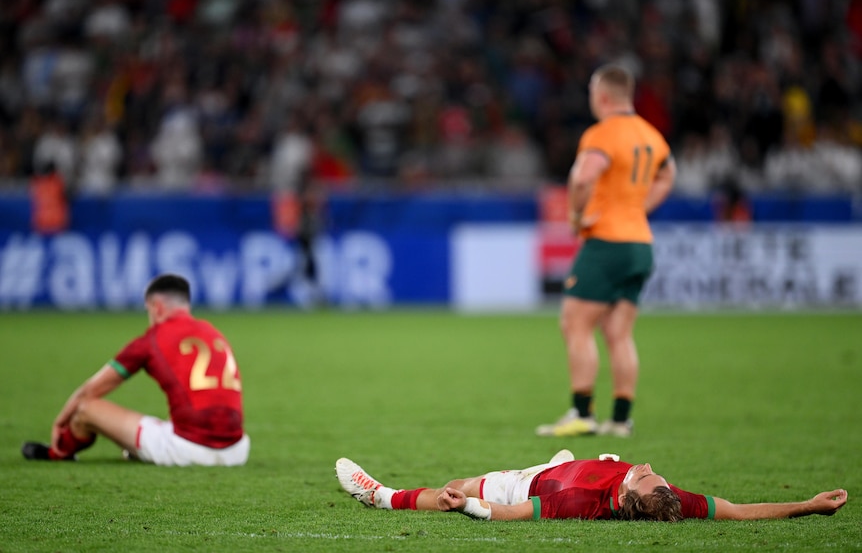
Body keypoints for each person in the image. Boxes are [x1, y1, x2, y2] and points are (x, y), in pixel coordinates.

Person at [537, 64, 678, 438]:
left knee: (574, 323)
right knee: (619, 332)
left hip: (607, 241)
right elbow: (668, 173)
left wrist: (576, 214)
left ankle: (583, 414)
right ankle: (620, 419)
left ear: (601, 96)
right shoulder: (650, 135)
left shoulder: (602, 134)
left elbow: (584, 175)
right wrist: (642, 206)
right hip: (640, 244)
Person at [21, 274, 249, 466]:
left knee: (85, 410)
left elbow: (89, 392)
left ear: (157, 307)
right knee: (172, 417)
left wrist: (60, 423)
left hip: (188, 449)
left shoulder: (150, 341)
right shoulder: (211, 331)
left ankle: (58, 453)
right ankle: (142, 449)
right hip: (238, 449)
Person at [335, 452, 848, 522]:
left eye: (644, 473)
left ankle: (378, 494)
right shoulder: (669, 500)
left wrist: (470, 504)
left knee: (450, 488)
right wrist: (808, 504)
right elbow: (737, 511)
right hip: (564, 463)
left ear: (628, 496)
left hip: (529, 484)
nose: (646, 465)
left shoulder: (582, 501)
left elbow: (520, 515)